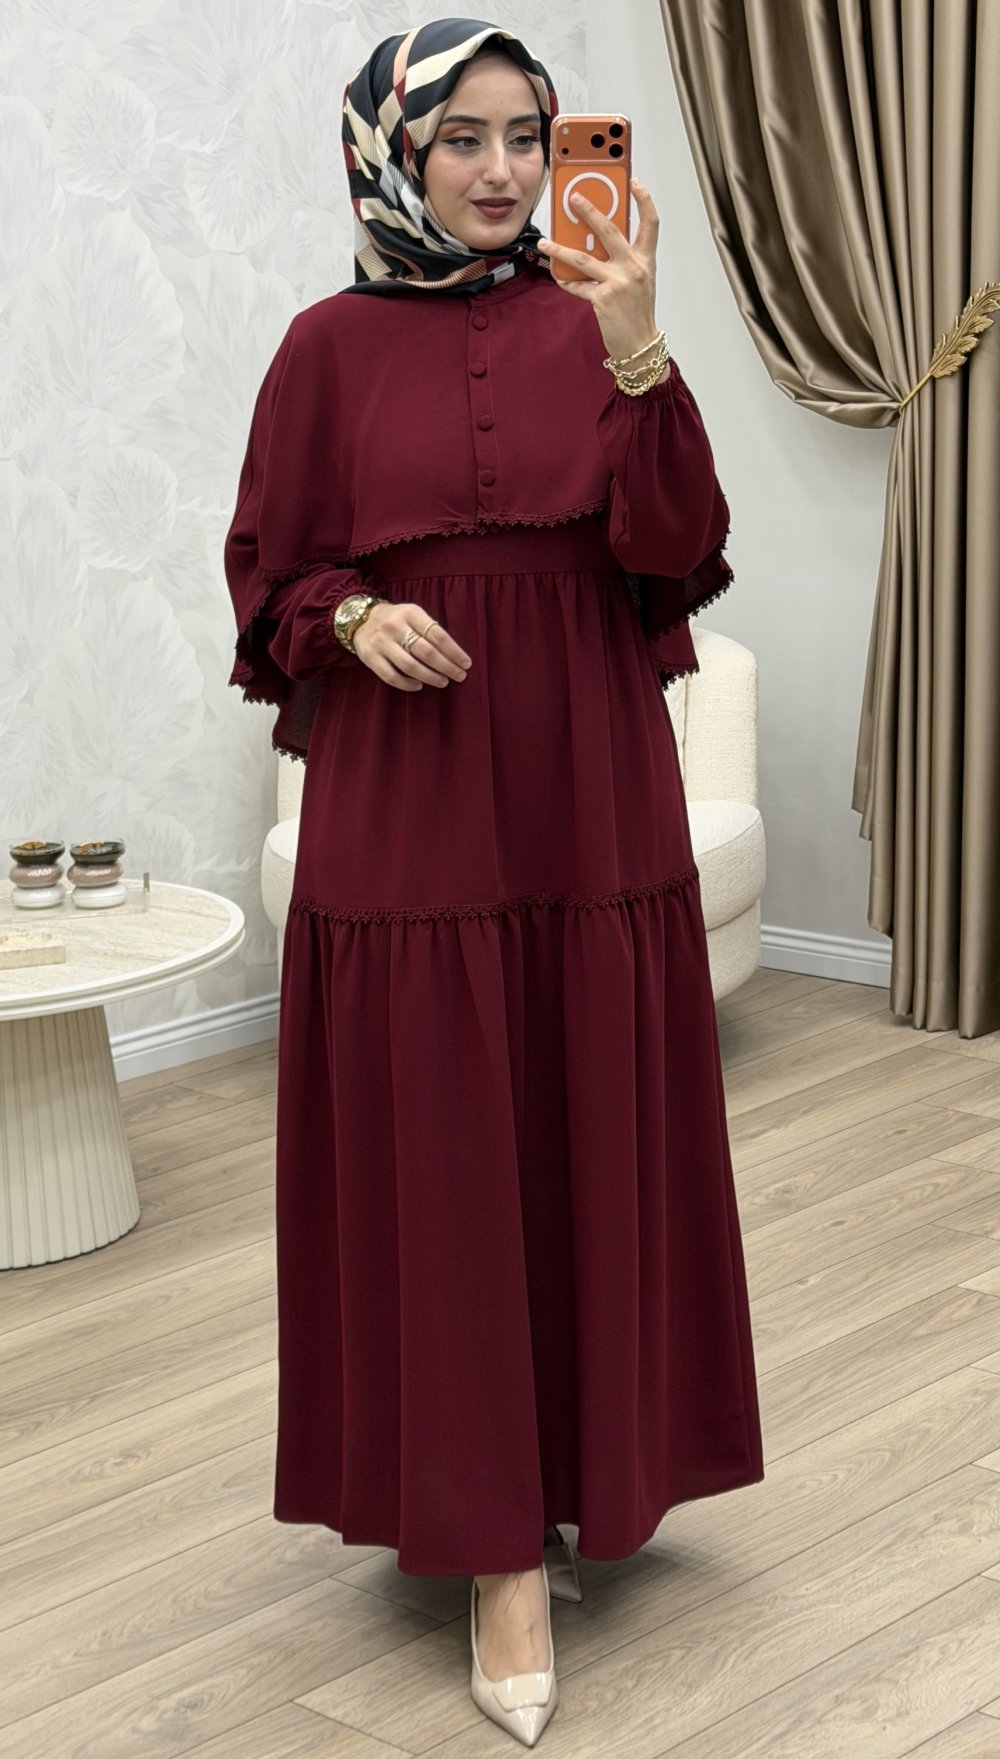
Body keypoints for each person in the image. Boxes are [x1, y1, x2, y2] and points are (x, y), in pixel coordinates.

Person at [223, 16, 764, 1748]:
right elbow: (267, 575)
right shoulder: (320, 350)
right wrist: (354, 617)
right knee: (440, 1137)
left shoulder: (598, 321)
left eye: (528, 134)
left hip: (589, 782)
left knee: (588, 1105)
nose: (504, 169)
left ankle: (595, 1472)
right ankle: (490, 1547)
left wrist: (638, 343)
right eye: (461, 135)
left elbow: (679, 546)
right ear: (394, 150)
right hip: (411, 793)